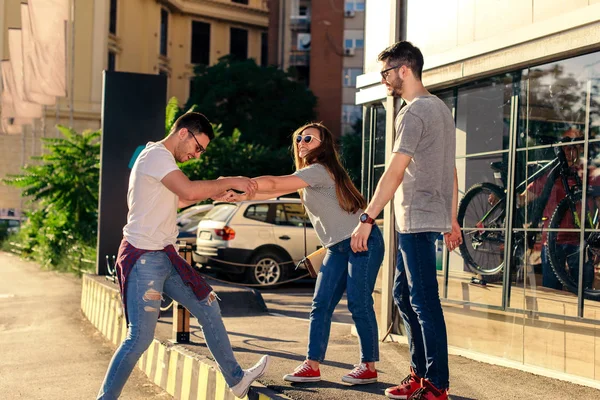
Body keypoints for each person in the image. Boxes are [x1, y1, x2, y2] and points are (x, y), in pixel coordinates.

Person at [97, 112, 269, 400]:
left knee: (208, 308)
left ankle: (237, 380)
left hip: (165, 257)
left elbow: (183, 198)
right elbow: (188, 189)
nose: (197, 155)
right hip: (143, 260)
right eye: (197, 147)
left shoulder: (163, 164)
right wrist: (229, 180)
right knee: (139, 338)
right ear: (183, 133)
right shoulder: (155, 156)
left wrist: (218, 193)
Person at [220, 122, 385, 385]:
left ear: (324, 146)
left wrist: (241, 183)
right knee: (320, 305)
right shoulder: (309, 174)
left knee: (358, 302)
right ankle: (312, 365)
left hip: (361, 242)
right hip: (336, 248)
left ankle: (368, 366)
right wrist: (240, 197)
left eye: (309, 138)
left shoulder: (319, 170)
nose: (302, 142)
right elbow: (274, 189)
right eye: (299, 138)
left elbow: (275, 182)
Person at [350, 41, 461, 400]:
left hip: (416, 218)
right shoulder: (441, 110)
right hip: (424, 217)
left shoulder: (413, 112)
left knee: (424, 301)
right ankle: (421, 373)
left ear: (404, 70)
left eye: (386, 72)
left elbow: (395, 171)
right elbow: (452, 171)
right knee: (402, 294)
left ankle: (437, 385)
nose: (384, 79)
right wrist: (452, 218)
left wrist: (367, 217)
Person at [519, 128, 597, 290]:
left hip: (581, 242)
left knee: (585, 293)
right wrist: (502, 194)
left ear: (580, 149)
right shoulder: (549, 175)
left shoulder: (587, 174)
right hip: (553, 242)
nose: (569, 150)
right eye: (565, 146)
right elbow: (523, 199)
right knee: (552, 292)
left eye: (574, 146)